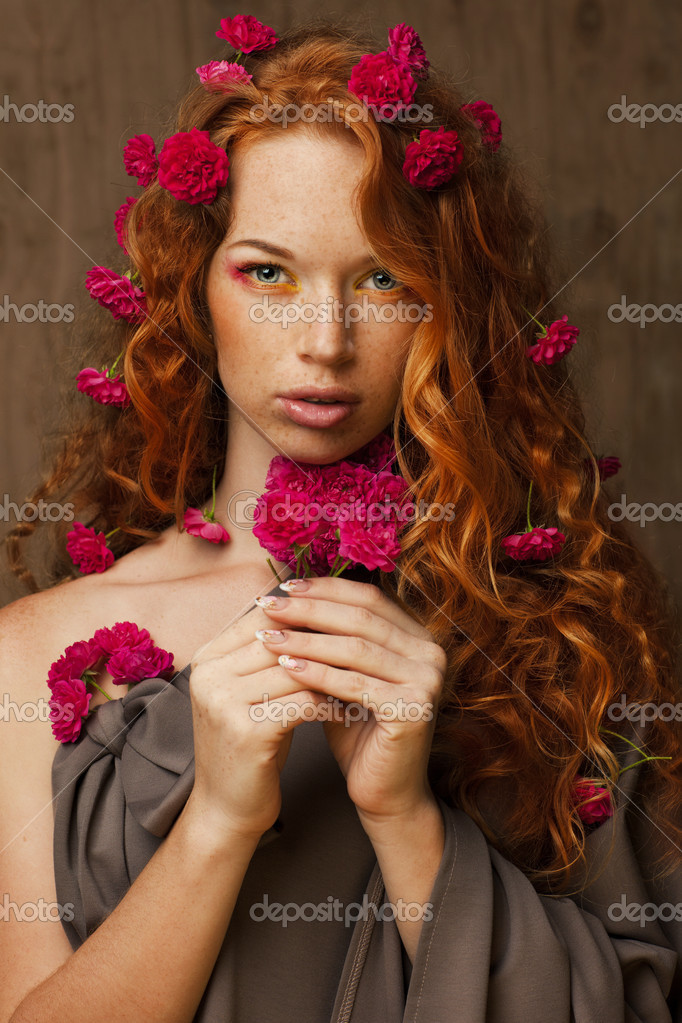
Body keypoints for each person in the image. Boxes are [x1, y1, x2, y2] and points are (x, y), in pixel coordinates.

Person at [1, 15, 681, 1023]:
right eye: (267, 273)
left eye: (383, 280)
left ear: (446, 303)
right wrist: (220, 822)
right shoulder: (28, 654)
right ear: (196, 288)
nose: (325, 341)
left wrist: (405, 817)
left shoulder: (559, 624)